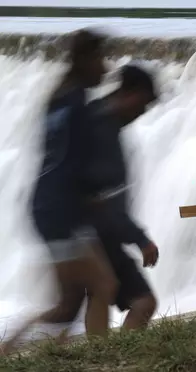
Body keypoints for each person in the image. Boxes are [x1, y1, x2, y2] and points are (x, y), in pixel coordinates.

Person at [2, 28, 117, 354]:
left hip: (48, 205)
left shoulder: (60, 97)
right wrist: (97, 199)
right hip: (60, 211)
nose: (106, 68)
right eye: (101, 59)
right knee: (101, 286)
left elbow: (56, 157)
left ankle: (20, 349)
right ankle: (98, 358)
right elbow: (77, 164)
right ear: (85, 59)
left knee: (69, 302)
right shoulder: (77, 103)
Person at [82, 64, 160, 332]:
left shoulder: (94, 118)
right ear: (133, 94)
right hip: (98, 231)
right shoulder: (102, 128)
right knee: (143, 301)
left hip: (84, 230)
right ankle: (114, 361)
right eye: (144, 104)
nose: (142, 113)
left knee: (98, 292)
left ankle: (98, 361)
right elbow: (104, 196)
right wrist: (140, 239)